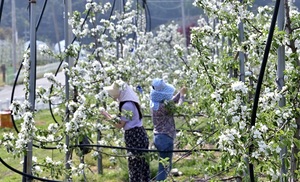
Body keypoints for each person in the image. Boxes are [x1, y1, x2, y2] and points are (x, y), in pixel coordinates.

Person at [101, 80, 150, 182]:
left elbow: (119, 125)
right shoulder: (131, 103)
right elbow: (120, 121)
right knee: (142, 165)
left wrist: (105, 115)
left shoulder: (126, 105)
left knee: (135, 166)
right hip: (139, 134)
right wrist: (109, 116)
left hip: (134, 136)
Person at [150, 78, 187, 181]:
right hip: (165, 138)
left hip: (158, 136)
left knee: (164, 166)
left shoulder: (154, 103)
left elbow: (171, 102)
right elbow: (177, 108)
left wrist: (179, 93)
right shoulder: (163, 107)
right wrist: (182, 96)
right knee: (165, 168)